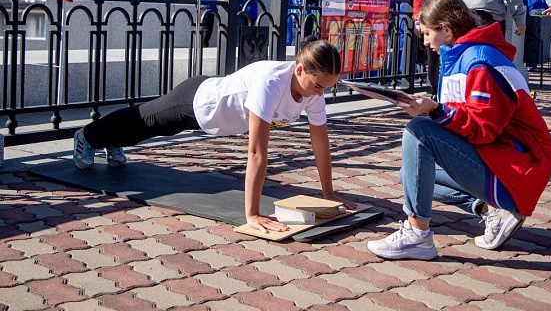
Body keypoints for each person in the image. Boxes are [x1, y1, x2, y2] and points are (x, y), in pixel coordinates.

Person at [73, 37, 355, 232]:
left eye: (327, 88)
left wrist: (328, 194)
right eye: (318, 85)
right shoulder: (270, 83)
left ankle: (111, 141)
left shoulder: (312, 93)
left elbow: (321, 144)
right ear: (300, 69)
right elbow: (257, 152)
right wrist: (253, 214)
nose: (320, 93)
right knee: (144, 121)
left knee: (142, 129)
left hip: (212, 117)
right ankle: (88, 136)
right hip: (196, 102)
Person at [367, 0, 551, 260]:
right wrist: (435, 110)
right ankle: (490, 211)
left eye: (427, 33)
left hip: (518, 169)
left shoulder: (480, 60)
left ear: (445, 30)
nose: (424, 41)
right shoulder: (462, 54)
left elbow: (483, 129)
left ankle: (417, 235)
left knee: (417, 131)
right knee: (410, 175)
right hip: (505, 162)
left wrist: (434, 110)